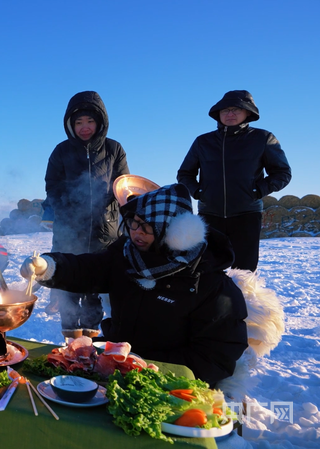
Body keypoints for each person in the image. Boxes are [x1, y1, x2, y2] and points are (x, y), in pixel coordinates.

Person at [22, 183, 248, 387]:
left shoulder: (212, 286)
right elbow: (89, 269)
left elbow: (215, 356)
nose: (136, 232)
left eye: (147, 227)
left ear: (174, 232)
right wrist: (49, 266)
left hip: (166, 380)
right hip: (113, 364)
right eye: (133, 223)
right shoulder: (126, 255)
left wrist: (143, 371)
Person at [42, 91, 129, 339]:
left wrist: (115, 203)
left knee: (95, 287)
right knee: (69, 281)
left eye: (89, 121)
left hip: (105, 228)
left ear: (100, 122)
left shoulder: (114, 149)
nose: (84, 127)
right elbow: (52, 186)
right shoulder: (61, 151)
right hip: (70, 227)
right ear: (70, 124)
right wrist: (71, 202)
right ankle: (71, 344)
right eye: (78, 122)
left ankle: (88, 344)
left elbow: (123, 185)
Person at [178, 90, 291, 272]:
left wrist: (256, 191)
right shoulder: (203, 142)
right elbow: (184, 174)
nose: (230, 114)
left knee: (244, 271)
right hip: (209, 215)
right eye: (225, 110)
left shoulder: (262, 138)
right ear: (218, 114)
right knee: (207, 268)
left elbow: (282, 173)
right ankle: (212, 301)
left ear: (248, 112)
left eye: (236, 109)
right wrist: (199, 192)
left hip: (246, 215)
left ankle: (244, 300)